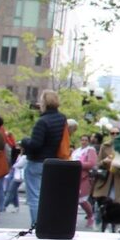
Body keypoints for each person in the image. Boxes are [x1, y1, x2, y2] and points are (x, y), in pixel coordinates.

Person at [21, 91, 69, 229]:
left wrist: (24, 141)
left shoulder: (42, 121)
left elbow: (36, 144)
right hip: (53, 163)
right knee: (48, 197)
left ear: (44, 103)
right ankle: (50, 224)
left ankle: (37, 225)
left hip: (36, 162)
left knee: (35, 197)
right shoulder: (62, 119)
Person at [74, 133, 98, 228]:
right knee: (74, 199)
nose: (83, 142)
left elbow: (91, 163)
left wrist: (79, 164)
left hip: (84, 177)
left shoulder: (90, 150)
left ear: (88, 141)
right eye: (82, 140)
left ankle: (90, 216)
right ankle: (72, 219)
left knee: (82, 199)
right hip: (74, 176)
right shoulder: (76, 151)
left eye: (86, 140)